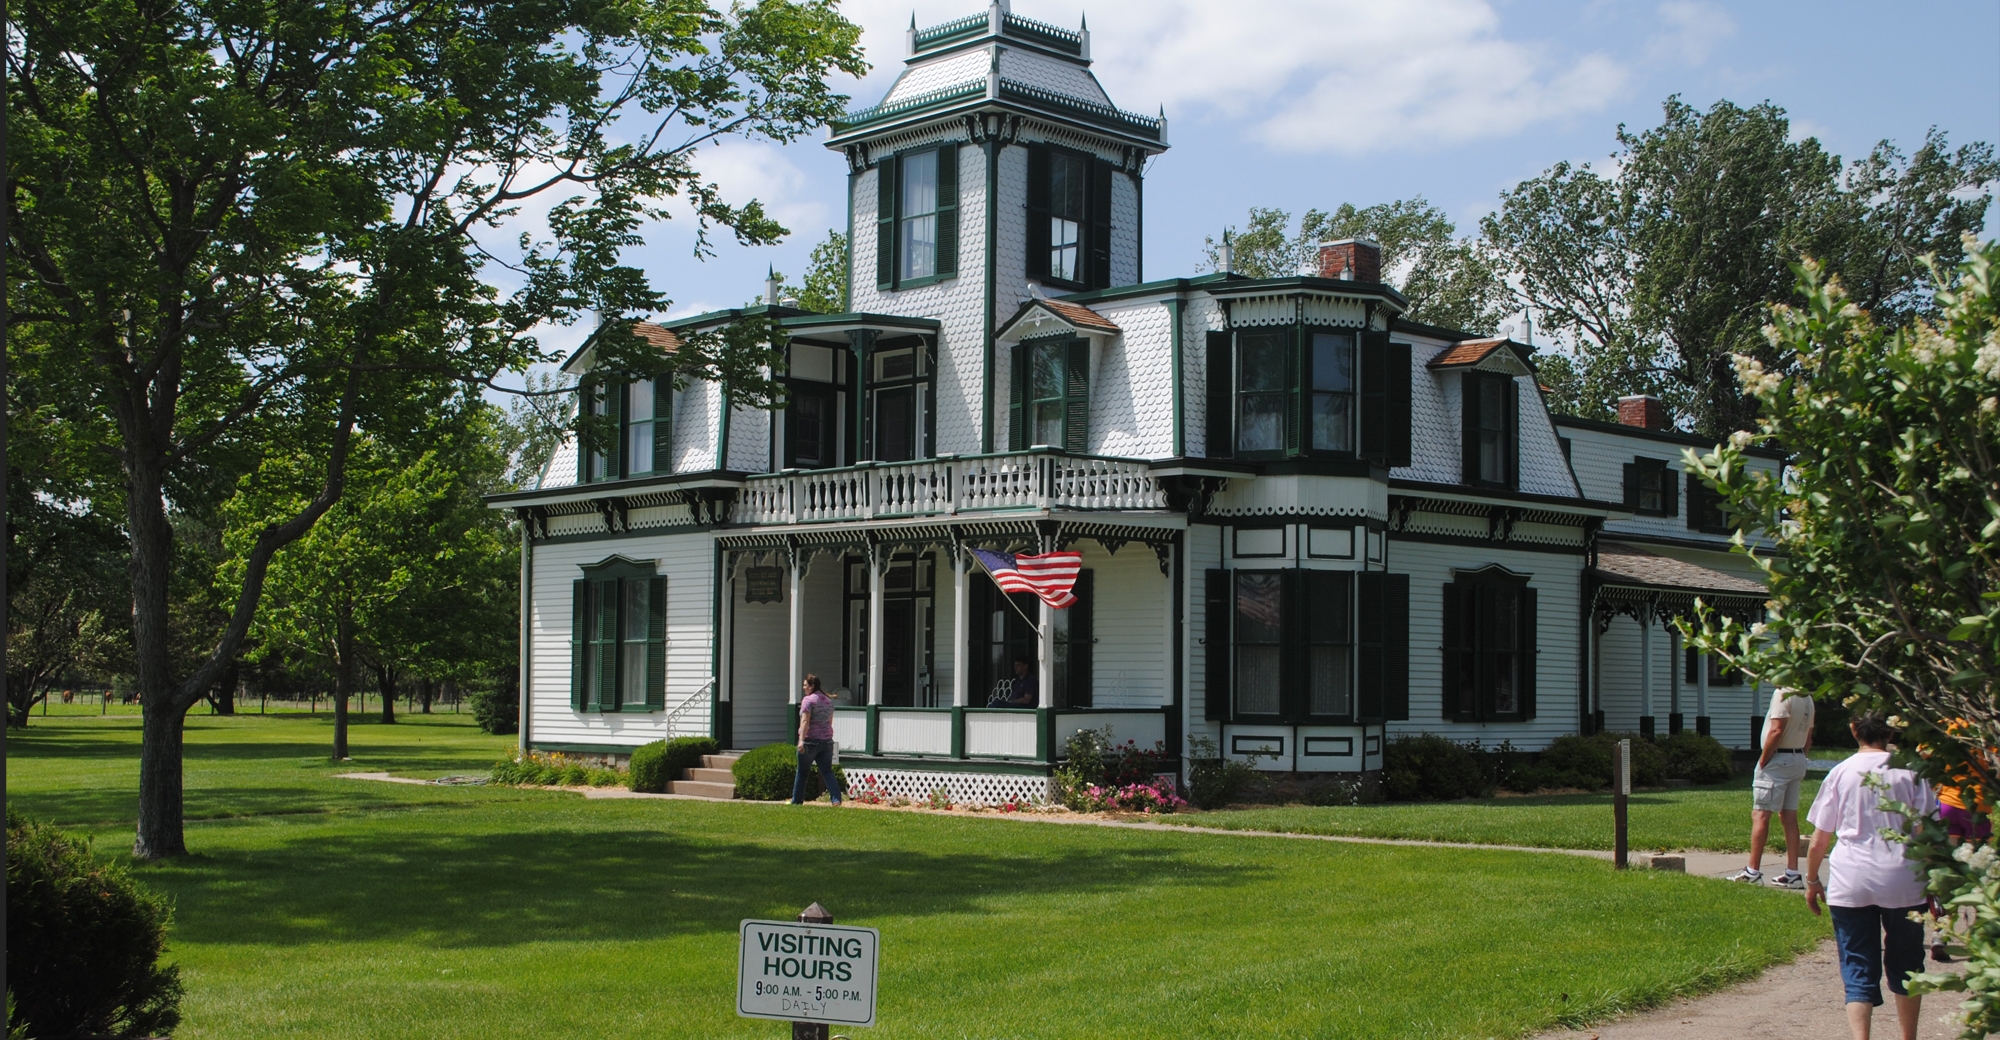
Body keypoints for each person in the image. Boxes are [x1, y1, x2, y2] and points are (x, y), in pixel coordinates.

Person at [1805, 710, 1933, 1040]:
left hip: (1851, 880)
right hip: (1903, 879)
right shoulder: (1911, 772)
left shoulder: (1840, 772)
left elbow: (1820, 838)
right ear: (1891, 731)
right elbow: (1925, 831)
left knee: (1857, 964)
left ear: (1853, 730)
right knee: (1907, 963)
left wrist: (1812, 879)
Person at [1732, 685, 1816, 887]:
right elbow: (1809, 736)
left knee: (1760, 814)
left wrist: (1763, 760)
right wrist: (1802, 757)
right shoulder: (1807, 697)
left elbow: (1777, 729)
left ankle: (1753, 871)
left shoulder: (1782, 694)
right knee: (1789, 816)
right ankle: (1792, 873)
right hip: (1797, 758)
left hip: (1778, 760)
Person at [790, 675, 843, 806]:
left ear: (812, 686)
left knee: (802, 772)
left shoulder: (808, 700)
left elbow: (805, 721)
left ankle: (797, 801)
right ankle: (836, 799)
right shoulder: (828, 701)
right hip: (826, 741)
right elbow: (830, 721)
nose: (804, 688)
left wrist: (801, 740)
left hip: (810, 741)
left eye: (805, 685)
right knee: (827, 771)